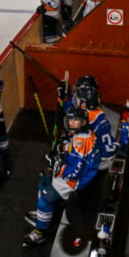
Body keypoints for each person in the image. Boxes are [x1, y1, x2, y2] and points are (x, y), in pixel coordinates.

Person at [22, 106, 100, 247]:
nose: (73, 123)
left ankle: (40, 232)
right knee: (44, 181)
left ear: (83, 122)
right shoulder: (87, 135)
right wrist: (62, 149)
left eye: (77, 121)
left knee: (46, 196)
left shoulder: (80, 143)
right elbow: (75, 156)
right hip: (81, 177)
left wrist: (56, 165)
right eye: (71, 120)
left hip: (75, 182)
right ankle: (43, 216)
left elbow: (74, 172)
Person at [74, 82, 118, 172]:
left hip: (101, 159)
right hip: (107, 151)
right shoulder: (95, 112)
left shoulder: (89, 118)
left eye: (79, 100)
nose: (76, 101)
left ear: (84, 104)